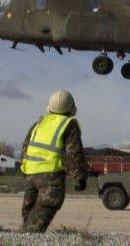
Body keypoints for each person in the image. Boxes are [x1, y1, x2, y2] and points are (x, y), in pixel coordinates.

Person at [20, 90, 88, 233]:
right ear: (72, 109)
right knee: (34, 226)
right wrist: (80, 177)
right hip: (50, 178)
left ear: (48, 107)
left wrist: (25, 170)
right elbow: (74, 153)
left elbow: (25, 149)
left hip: (30, 175)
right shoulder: (68, 125)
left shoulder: (38, 124)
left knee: (28, 217)